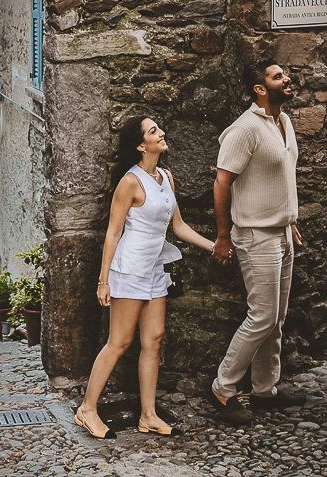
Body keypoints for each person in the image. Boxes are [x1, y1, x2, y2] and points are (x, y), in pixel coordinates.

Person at [74, 115, 215, 440]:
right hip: (129, 269)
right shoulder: (130, 182)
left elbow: (177, 226)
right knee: (120, 341)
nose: (162, 133)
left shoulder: (166, 177)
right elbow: (112, 232)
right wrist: (103, 280)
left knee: (153, 340)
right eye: (154, 131)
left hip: (154, 269)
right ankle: (87, 409)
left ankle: (148, 415)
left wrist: (214, 246)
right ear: (141, 145)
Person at [207, 56, 307, 425]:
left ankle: (265, 391)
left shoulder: (283, 121)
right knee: (262, 316)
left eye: (285, 72)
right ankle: (223, 387)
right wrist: (222, 236)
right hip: (253, 235)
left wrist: (289, 220)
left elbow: (282, 177)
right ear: (260, 89)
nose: (288, 78)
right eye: (279, 76)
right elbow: (221, 184)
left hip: (281, 231)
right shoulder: (244, 129)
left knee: (276, 319)